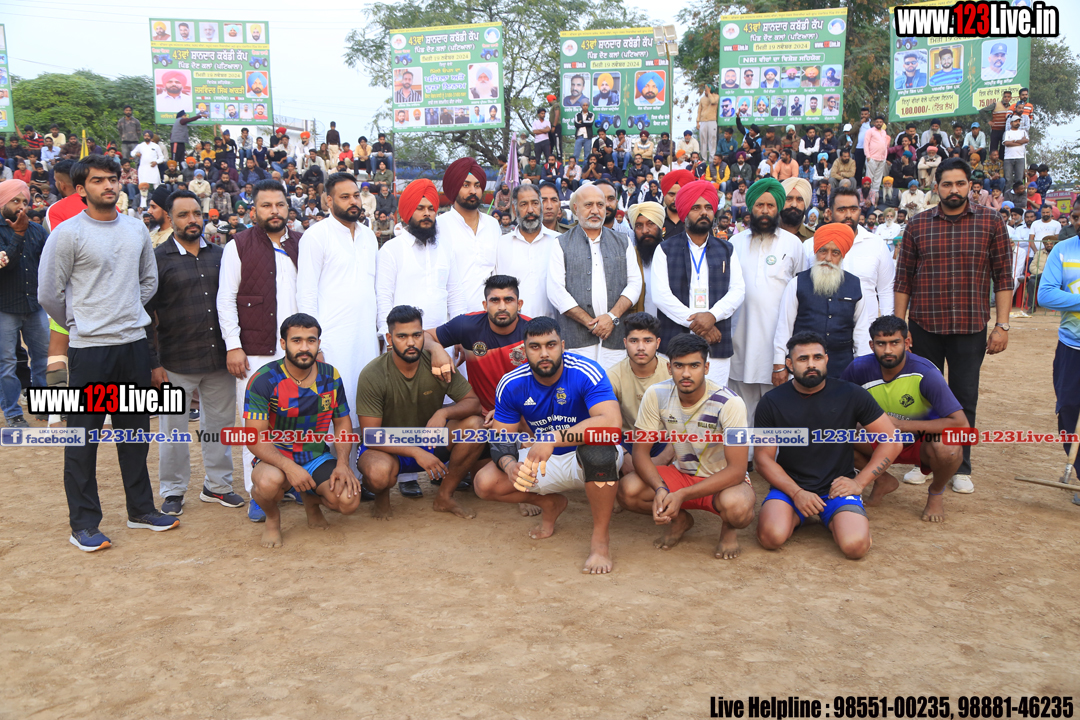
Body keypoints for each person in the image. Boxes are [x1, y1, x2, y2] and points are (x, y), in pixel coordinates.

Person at [38, 155, 178, 552]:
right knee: (83, 440)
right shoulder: (67, 234)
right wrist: (82, 321)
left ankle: (141, 510)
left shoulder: (135, 229)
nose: (109, 186)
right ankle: (83, 524)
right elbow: (48, 293)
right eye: (99, 180)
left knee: (135, 434)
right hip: (89, 350)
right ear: (81, 189)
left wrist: (126, 310)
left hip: (132, 345)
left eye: (113, 179)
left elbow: (148, 282)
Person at [894, 157, 1013, 494]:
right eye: (947, 184)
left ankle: (961, 466)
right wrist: (901, 328)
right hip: (924, 324)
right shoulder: (918, 225)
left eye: (960, 183)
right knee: (923, 397)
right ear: (937, 187)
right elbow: (903, 280)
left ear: (970, 186)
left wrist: (1003, 326)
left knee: (964, 397)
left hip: (970, 326)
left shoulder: (991, 222)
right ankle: (923, 462)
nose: (954, 190)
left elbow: (1004, 276)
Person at [473, 316, 624, 574]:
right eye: (535, 347)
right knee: (485, 483)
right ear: (524, 351)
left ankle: (600, 541)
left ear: (562, 346)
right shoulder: (511, 383)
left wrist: (552, 437)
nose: (544, 353)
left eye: (551, 345)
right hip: (543, 458)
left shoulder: (586, 370)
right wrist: (509, 466)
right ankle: (551, 504)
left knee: (599, 452)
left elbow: (611, 424)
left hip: (585, 456)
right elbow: (501, 438)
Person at [755, 331, 902, 559]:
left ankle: (836, 517)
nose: (811, 364)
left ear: (826, 359)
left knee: (855, 547)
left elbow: (892, 440)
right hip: (791, 487)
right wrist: (797, 493)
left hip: (837, 489)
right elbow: (763, 459)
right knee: (770, 537)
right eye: (803, 359)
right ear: (790, 364)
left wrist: (859, 482)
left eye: (817, 357)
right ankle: (801, 515)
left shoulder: (851, 393)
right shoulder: (771, 401)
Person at [145, 189, 241, 515]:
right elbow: (145, 315)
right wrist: (154, 363)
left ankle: (218, 486)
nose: (192, 220)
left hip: (219, 360)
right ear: (170, 219)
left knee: (219, 427)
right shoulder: (157, 260)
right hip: (175, 361)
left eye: (197, 213)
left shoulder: (222, 255)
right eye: (184, 215)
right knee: (172, 431)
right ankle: (173, 490)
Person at [618, 332, 755, 557]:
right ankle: (680, 520)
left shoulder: (731, 403)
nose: (686, 373)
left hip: (722, 481)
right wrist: (660, 488)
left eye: (694, 365)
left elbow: (738, 470)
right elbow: (640, 454)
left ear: (706, 368)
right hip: (681, 474)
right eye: (679, 366)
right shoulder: (657, 394)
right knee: (627, 491)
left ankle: (729, 530)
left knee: (738, 508)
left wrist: (682, 494)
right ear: (669, 368)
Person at [217, 179, 303, 519]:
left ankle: (293, 483)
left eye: (279, 204)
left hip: (297, 350)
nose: (274, 211)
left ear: (288, 208)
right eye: (266, 205)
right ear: (254, 210)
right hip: (254, 351)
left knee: (297, 418)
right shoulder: (238, 245)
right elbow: (226, 299)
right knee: (255, 424)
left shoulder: (301, 243)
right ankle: (258, 491)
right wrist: (233, 346)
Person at [355, 304, 485, 516]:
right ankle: (381, 499)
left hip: (428, 438)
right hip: (388, 447)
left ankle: (445, 496)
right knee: (378, 473)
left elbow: (473, 403)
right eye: (402, 336)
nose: (410, 342)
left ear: (423, 335)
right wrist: (416, 451)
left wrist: (443, 413)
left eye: (416, 335)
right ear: (389, 339)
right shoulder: (373, 373)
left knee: (476, 427)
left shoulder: (437, 364)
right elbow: (371, 435)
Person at [244, 314, 361, 548]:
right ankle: (273, 519)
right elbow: (254, 437)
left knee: (348, 501)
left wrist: (342, 463)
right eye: (296, 340)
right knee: (267, 483)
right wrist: (290, 467)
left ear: (319, 343)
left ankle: (311, 501)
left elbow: (342, 423)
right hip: (277, 458)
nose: (305, 347)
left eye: (311, 340)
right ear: (283, 343)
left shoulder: (330, 376)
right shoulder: (264, 379)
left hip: (315, 456)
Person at [840, 315, 967, 521]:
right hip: (879, 441)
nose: (888, 350)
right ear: (872, 345)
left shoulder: (926, 373)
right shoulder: (858, 368)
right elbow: (839, 408)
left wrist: (901, 425)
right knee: (834, 435)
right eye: (881, 344)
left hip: (921, 443)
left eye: (895, 343)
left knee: (949, 449)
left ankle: (936, 492)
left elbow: (961, 424)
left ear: (907, 343)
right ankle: (882, 480)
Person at [297, 172, 380, 437]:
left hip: (366, 340)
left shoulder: (369, 236)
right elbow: (306, 294)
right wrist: (312, 345)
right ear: (329, 201)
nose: (353, 201)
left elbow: (375, 289)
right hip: (332, 342)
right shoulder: (315, 236)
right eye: (345, 197)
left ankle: (360, 464)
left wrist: (380, 334)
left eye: (356, 196)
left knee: (365, 409)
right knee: (331, 414)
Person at [728, 178, 805, 433]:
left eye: (770, 206)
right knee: (741, 411)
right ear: (750, 208)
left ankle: (773, 454)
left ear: (778, 208)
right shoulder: (735, 243)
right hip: (740, 343)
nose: (764, 211)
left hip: (777, 346)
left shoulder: (793, 244)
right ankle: (745, 454)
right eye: (759, 205)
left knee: (777, 412)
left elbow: (801, 295)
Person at [651, 179, 745, 387]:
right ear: (685, 212)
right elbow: (660, 295)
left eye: (708, 208)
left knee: (715, 399)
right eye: (696, 208)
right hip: (675, 340)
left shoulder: (726, 249)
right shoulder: (665, 249)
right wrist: (700, 325)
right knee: (673, 400)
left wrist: (713, 316)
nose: (704, 212)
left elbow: (738, 290)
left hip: (716, 343)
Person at [546, 184, 643, 369]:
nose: (595, 211)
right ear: (576, 208)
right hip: (576, 342)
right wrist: (590, 323)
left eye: (600, 205)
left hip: (615, 339)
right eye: (588, 205)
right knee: (579, 386)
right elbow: (555, 291)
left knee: (613, 386)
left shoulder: (623, 242)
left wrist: (611, 317)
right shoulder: (561, 243)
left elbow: (635, 284)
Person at [774, 222, 872, 381]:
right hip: (803, 365)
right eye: (823, 251)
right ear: (816, 251)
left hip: (843, 367)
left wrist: (863, 367)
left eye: (835, 253)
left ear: (842, 255)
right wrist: (779, 364)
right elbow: (784, 327)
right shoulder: (797, 283)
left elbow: (861, 332)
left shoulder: (855, 285)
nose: (828, 258)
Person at [376, 178, 466, 338]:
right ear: (409, 212)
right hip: (404, 342)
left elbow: (455, 295)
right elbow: (383, 298)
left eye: (431, 209)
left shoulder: (445, 248)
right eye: (420, 208)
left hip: (444, 340)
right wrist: (389, 338)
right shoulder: (391, 249)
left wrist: (460, 333)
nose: (427, 213)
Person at [803, 187, 895, 319]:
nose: (848, 215)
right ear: (829, 213)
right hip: (822, 326)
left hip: (867, 327)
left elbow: (886, 290)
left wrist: (887, 325)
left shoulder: (876, 244)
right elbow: (801, 289)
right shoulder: (810, 246)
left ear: (860, 211)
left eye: (853, 209)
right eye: (841, 210)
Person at [0, 180, 49, 429]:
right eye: (15, 201)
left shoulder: (38, 230)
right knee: (6, 364)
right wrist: (18, 235)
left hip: (35, 306)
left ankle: (45, 407)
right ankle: (13, 413)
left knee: (42, 359)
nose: (21, 207)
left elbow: (50, 264)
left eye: (25, 202)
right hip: (4, 308)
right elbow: (4, 266)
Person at [603, 312, 675, 476]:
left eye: (647, 341)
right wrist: (623, 455)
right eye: (634, 341)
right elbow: (602, 421)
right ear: (625, 343)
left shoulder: (672, 373)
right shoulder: (613, 376)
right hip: (629, 440)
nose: (641, 347)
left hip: (665, 440)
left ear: (657, 343)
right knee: (598, 447)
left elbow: (689, 421)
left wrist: (664, 457)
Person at [1037, 227, 1080, 484]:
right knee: (1068, 409)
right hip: (1071, 348)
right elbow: (1046, 295)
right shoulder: (1063, 249)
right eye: (1076, 216)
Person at [437, 157, 499, 312]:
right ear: (454, 187)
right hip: (453, 317)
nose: (473, 191)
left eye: (477, 186)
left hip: (490, 316)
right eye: (466, 185)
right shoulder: (439, 226)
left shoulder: (492, 225)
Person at [491, 185, 558, 319]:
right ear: (514, 210)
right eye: (524, 204)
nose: (530, 210)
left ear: (541, 206)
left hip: (552, 327)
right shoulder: (501, 244)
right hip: (512, 327)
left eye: (535, 203)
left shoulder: (558, 241)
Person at [627, 202, 665, 317]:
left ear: (660, 227)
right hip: (638, 323)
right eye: (639, 226)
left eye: (651, 224)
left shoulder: (672, 255)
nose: (645, 230)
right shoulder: (629, 256)